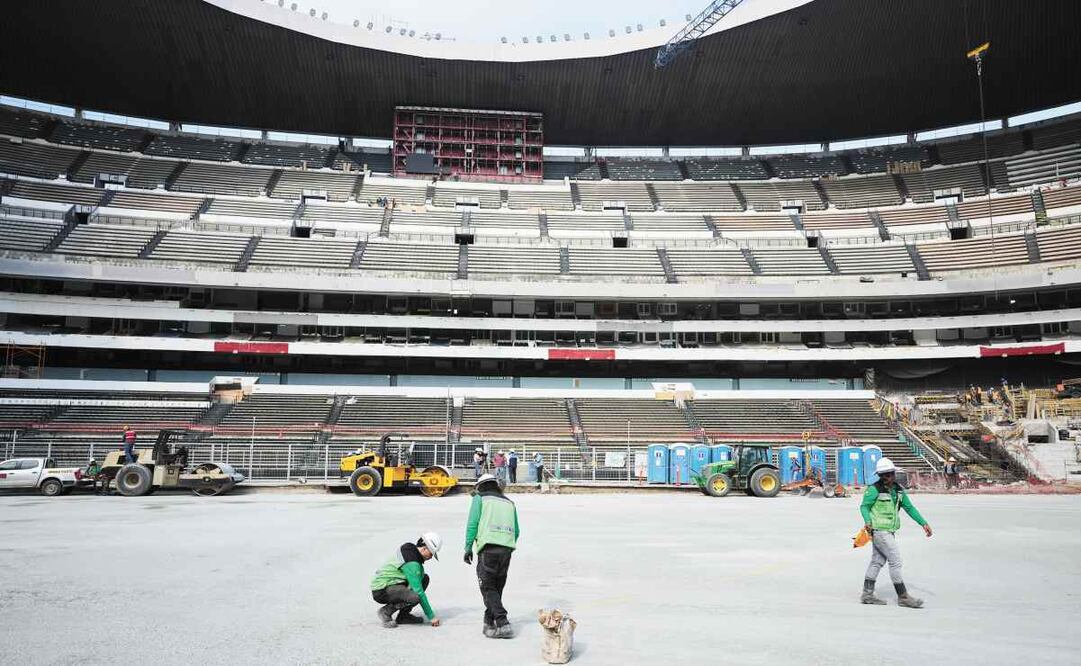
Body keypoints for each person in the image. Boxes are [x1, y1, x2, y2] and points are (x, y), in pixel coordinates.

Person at [859, 458, 933, 608]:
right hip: (879, 530)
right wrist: (868, 521)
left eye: (891, 474)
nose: (890, 477)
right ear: (882, 475)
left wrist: (923, 523)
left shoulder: (898, 490)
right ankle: (903, 596)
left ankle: (867, 595)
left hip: (890, 531)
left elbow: (909, 508)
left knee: (877, 561)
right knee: (895, 561)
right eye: (887, 475)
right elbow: (864, 507)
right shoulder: (874, 489)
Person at [464, 474, 520, 639]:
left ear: (480, 486)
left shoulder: (479, 498)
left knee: (488, 587)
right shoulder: (509, 502)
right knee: (496, 587)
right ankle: (488, 622)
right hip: (507, 549)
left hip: (488, 548)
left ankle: (503, 623)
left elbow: (472, 524)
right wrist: (506, 543)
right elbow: (517, 531)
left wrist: (468, 547)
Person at [370, 532, 443, 629]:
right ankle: (385, 612)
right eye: (431, 553)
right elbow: (419, 591)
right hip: (382, 589)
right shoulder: (412, 562)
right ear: (425, 548)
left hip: (394, 584)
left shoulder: (410, 550)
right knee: (415, 596)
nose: (431, 557)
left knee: (424, 579)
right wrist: (431, 616)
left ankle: (403, 617)